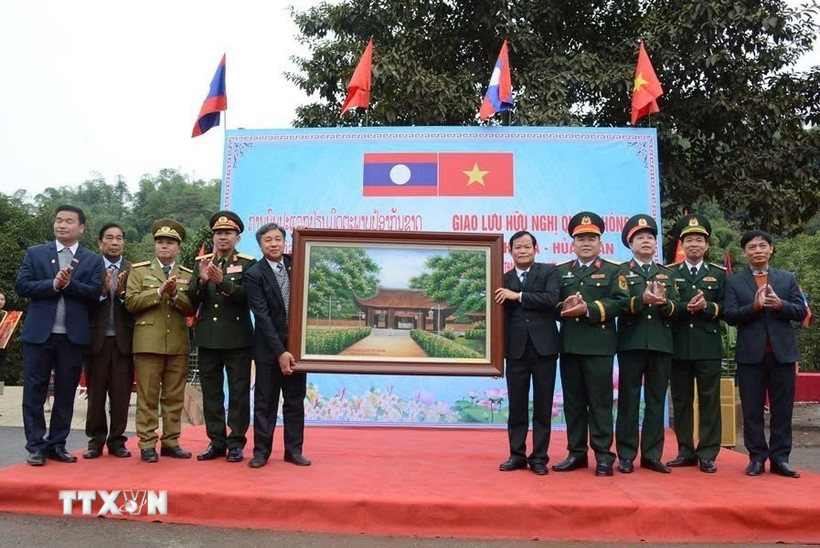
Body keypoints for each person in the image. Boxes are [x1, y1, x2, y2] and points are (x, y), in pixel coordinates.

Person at [14, 205, 104, 466]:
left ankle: (57, 444)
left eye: (68, 221)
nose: (62, 225)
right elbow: (22, 286)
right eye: (59, 220)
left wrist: (69, 284)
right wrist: (53, 284)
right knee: (34, 391)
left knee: (66, 392)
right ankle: (36, 445)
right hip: (39, 335)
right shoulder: (36, 253)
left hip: (72, 336)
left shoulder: (91, 259)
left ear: (81, 228)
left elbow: (95, 293)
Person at [724, 229, 806, 478]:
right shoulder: (734, 281)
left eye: (762, 246)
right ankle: (757, 457)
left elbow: (801, 311)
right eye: (752, 247)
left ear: (771, 249)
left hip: (782, 355)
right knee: (752, 410)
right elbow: (729, 314)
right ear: (744, 252)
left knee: (782, 410)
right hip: (751, 356)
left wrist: (780, 305)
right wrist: (755, 307)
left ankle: (781, 459)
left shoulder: (787, 278)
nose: (758, 251)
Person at [553, 212, 628, 477]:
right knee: (573, 403)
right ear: (572, 243)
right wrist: (566, 307)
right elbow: (553, 304)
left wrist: (589, 309)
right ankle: (576, 453)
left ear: (600, 242)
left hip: (599, 346)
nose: (586, 242)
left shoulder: (613, 270)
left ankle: (604, 456)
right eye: (581, 238)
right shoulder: (561, 272)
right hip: (570, 346)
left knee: (600, 402)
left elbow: (620, 301)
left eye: (592, 238)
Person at [188, 211, 256, 463]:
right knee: (211, 391)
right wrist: (203, 281)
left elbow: (249, 298)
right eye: (218, 233)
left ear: (237, 237)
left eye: (228, 233)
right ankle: (216, 441)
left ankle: (236, 442)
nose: (223, 237)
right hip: (208, 337)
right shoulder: (203, 261)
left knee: (238, 392)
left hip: (237, 338)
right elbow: (190, 300)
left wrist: (223, 283)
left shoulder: (249, 263)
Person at [125, 219, 195, 463]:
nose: (164, 246)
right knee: (148, 395)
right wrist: (157, 292)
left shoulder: (186, 274)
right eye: (160, 242)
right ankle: (146, 443)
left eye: (170, 243)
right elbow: (131, 303)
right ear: (155, 246)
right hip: (147, 342)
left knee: (174, 396)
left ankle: (171, 441)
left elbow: (191, 308)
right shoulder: (140, 270)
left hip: (177, 343)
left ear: (178, 248)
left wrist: (175, 293)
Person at [615, 214, 680, 474]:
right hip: (631, 343)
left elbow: (677, 308)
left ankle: (652, 455)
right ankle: (627, 455)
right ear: (630, 245)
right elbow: (619, 303)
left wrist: (664, 304)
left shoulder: (666, 274)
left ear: (656, 245)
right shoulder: (621, 272)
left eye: (650, 238)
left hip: (661, 344)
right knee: (629, 400)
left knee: (656, 400)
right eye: (639, 238)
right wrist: (640, 300)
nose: (646, 241)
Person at [244, 222, 311, 469]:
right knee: (265, 402)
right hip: (268, 350)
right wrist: (279, 352)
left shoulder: (298, 263)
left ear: (285, 242)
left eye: (277, 239)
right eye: (267, 241)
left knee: (294, 401)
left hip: (297, 349)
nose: (273, 244)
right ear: (260, 245)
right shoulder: (254, 274)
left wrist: (308, 235)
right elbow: (261, 316)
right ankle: (261, 452)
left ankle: (294, 451)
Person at [493, 230, 559, 476]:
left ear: (536, 248)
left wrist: (518, 296)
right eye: (517, 247)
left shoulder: (549, 271)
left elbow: (551, 299)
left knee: (543, 406)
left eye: (526, 247)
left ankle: (539, 457)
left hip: (545, 350)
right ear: (510, 252)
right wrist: (496, 359)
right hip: (516, 352)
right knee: (517, 406)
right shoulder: (503, 278)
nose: (522, 251)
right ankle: (517, 455)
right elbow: (498, 321)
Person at [666, 214, 726, 474]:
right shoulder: (669, 273)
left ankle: (708, 453)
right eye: (689, 240)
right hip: (678, 346)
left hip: (707, 346)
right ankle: (685, 450)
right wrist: (683, 307)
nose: (694, 244)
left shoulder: (719, 274)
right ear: (682, 245)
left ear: (706, 245)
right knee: (681, 400)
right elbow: (665, 306)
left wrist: (708, 307)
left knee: (709, 399)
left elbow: (728, 309)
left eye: (699, 240)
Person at [83, 223, 135, 459]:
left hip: (124, 341)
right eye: (109, 238)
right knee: (95, 394)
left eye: (119, 238)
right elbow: (81, 299)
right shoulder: (89, 267)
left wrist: (122, 293)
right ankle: (96, 441)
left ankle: (117, 441)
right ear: (100, 242)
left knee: (121, 394)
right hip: (96, 340)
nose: (115, 242)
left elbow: (138, 305)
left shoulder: (134, 269)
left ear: (124, 243)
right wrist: (103, 292)